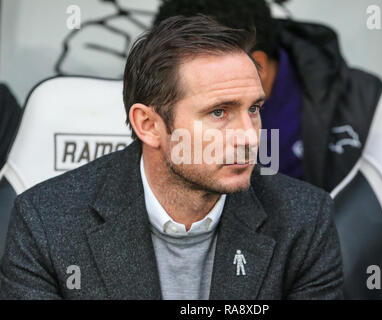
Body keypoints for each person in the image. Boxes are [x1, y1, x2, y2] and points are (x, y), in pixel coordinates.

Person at [0, 15, 342, 299]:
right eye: (219, 113)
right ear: (148, 125)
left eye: (253, 108)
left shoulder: (305, 220)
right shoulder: (46, 222)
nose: (250, 136)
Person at [153, 0, 382, 192]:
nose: (180, 87)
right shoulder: (154, 101)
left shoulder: (368, 104)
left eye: (199, 74)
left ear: (257, 66)